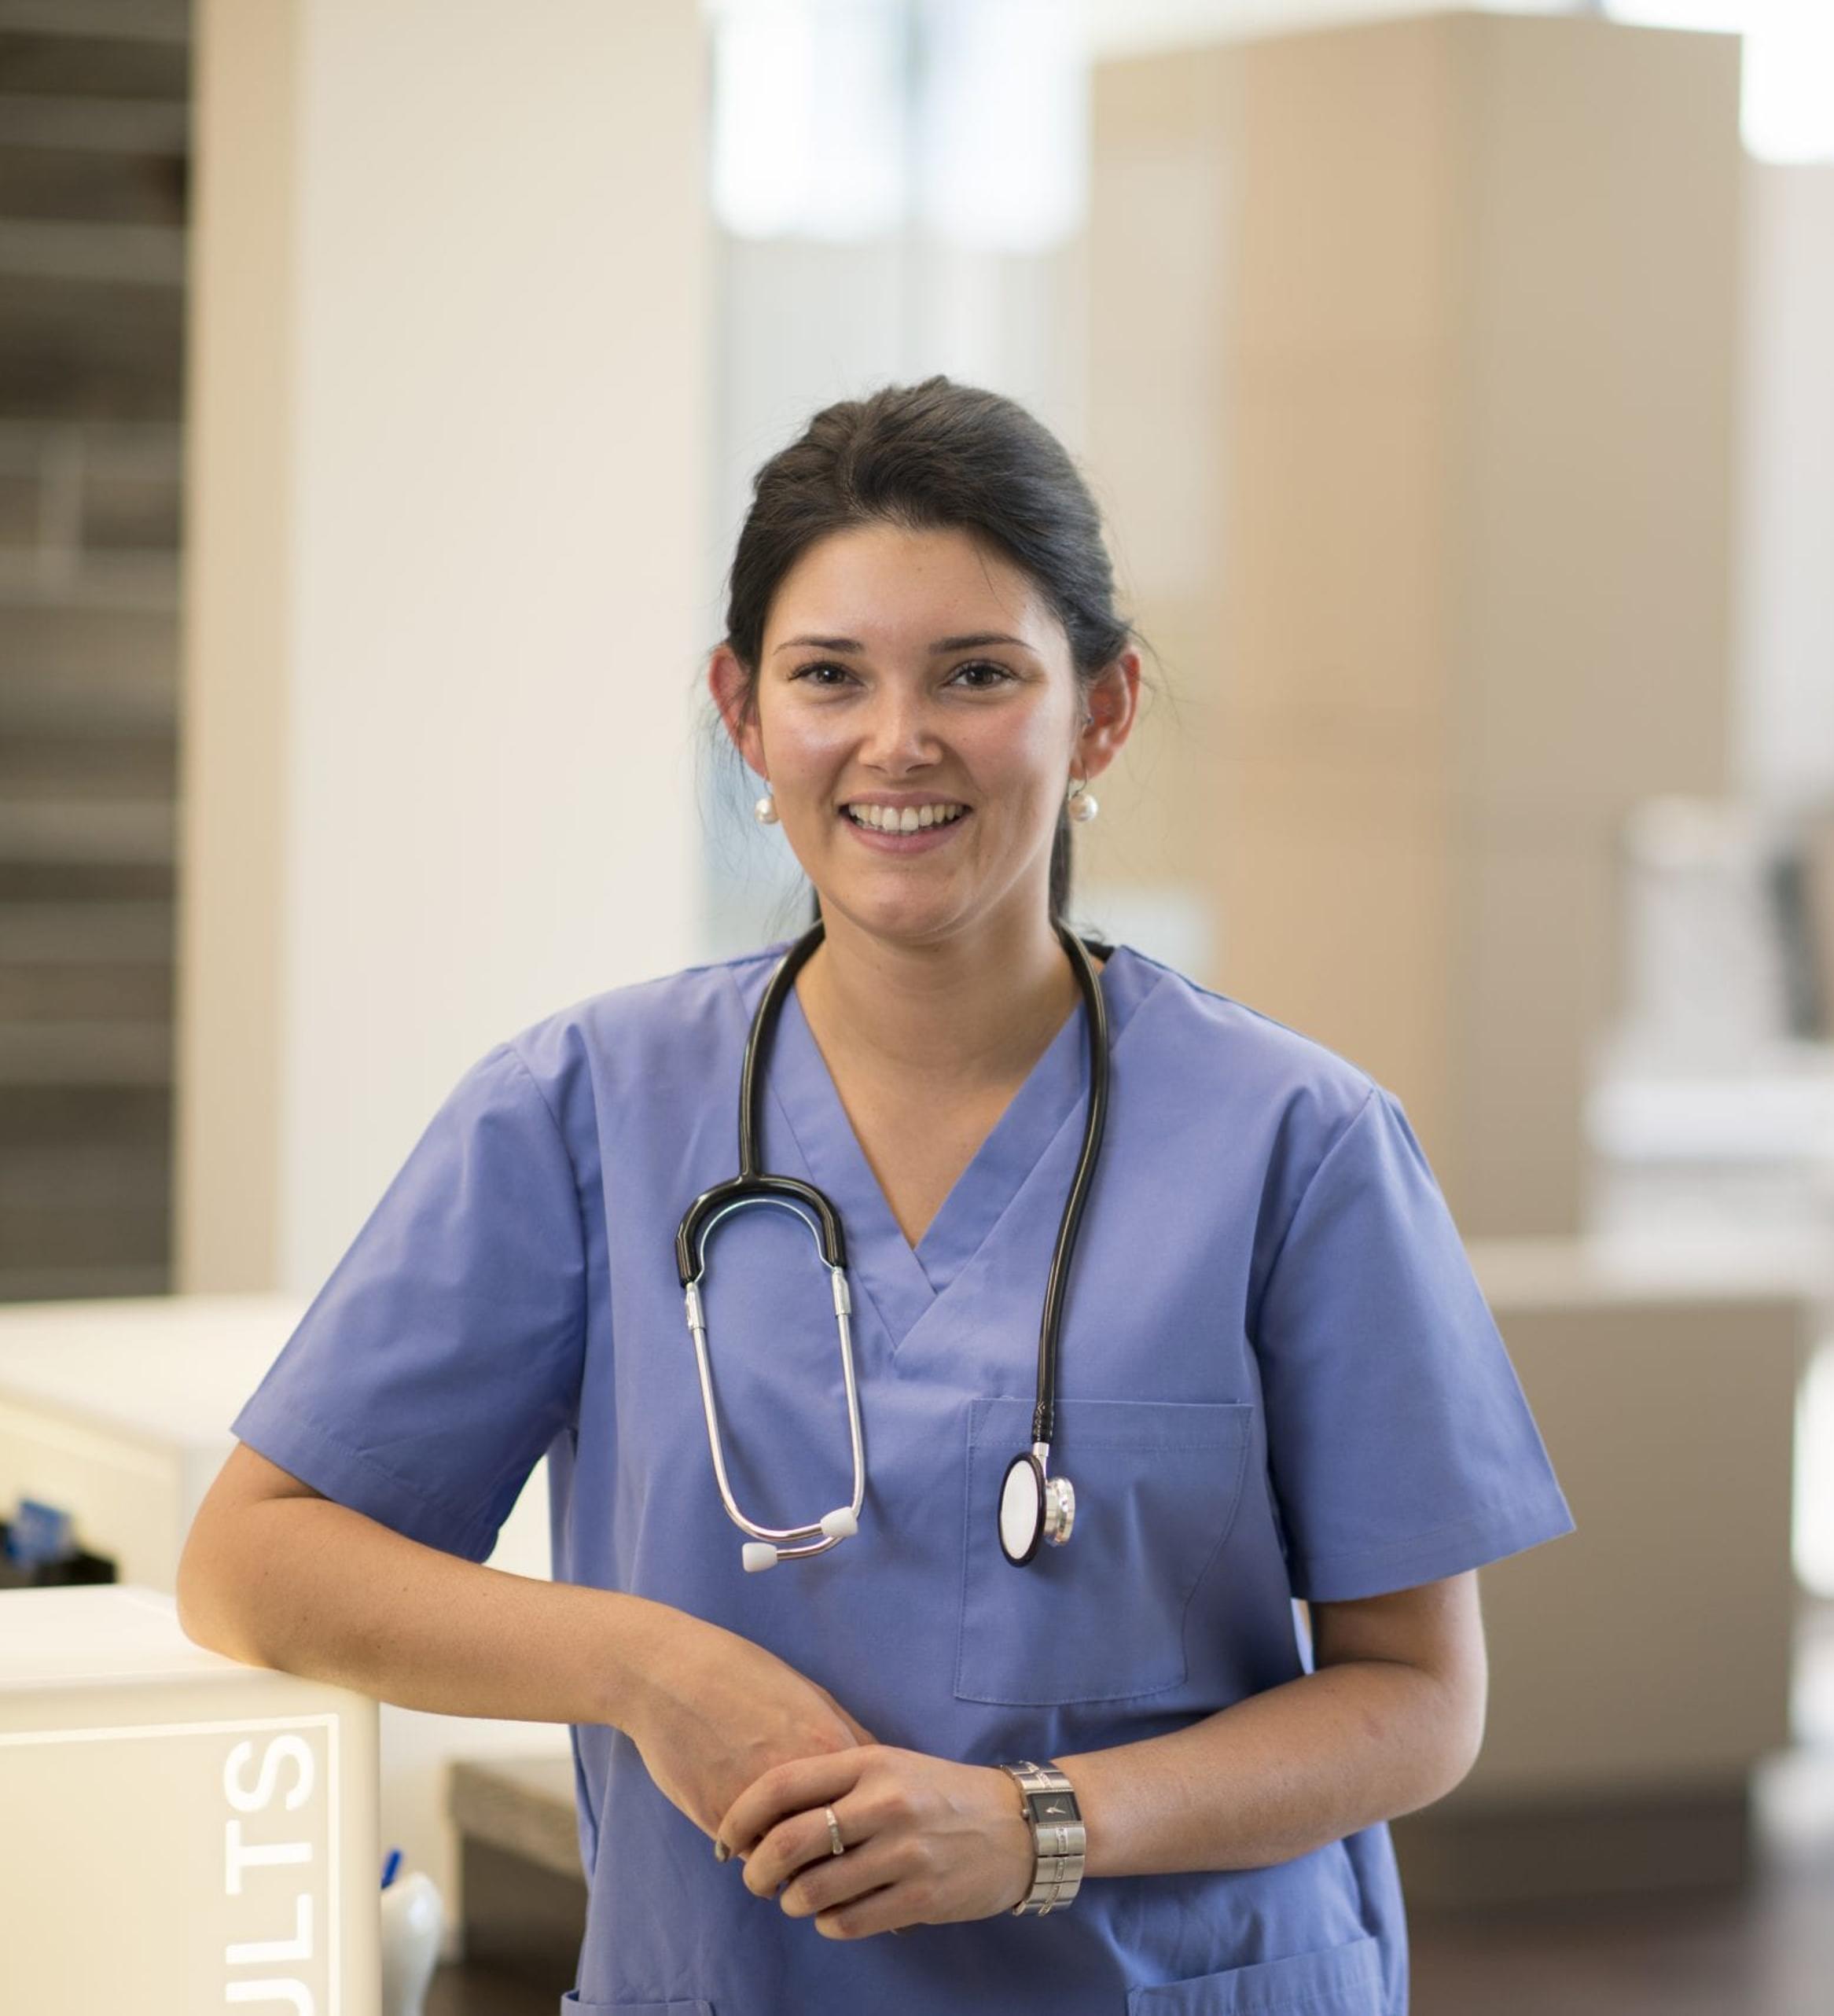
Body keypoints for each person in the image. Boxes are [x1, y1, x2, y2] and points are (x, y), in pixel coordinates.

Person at [175, 377, 1574, 2014]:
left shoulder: (1298, 1143)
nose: (897, 743)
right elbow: (254, 1561)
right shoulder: (583, 1111)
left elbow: (1417, 1696)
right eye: (829, 675)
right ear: (744, 714)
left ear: (1101, 711)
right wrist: (649, 1665)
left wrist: (1038, 1827)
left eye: (978, 675)